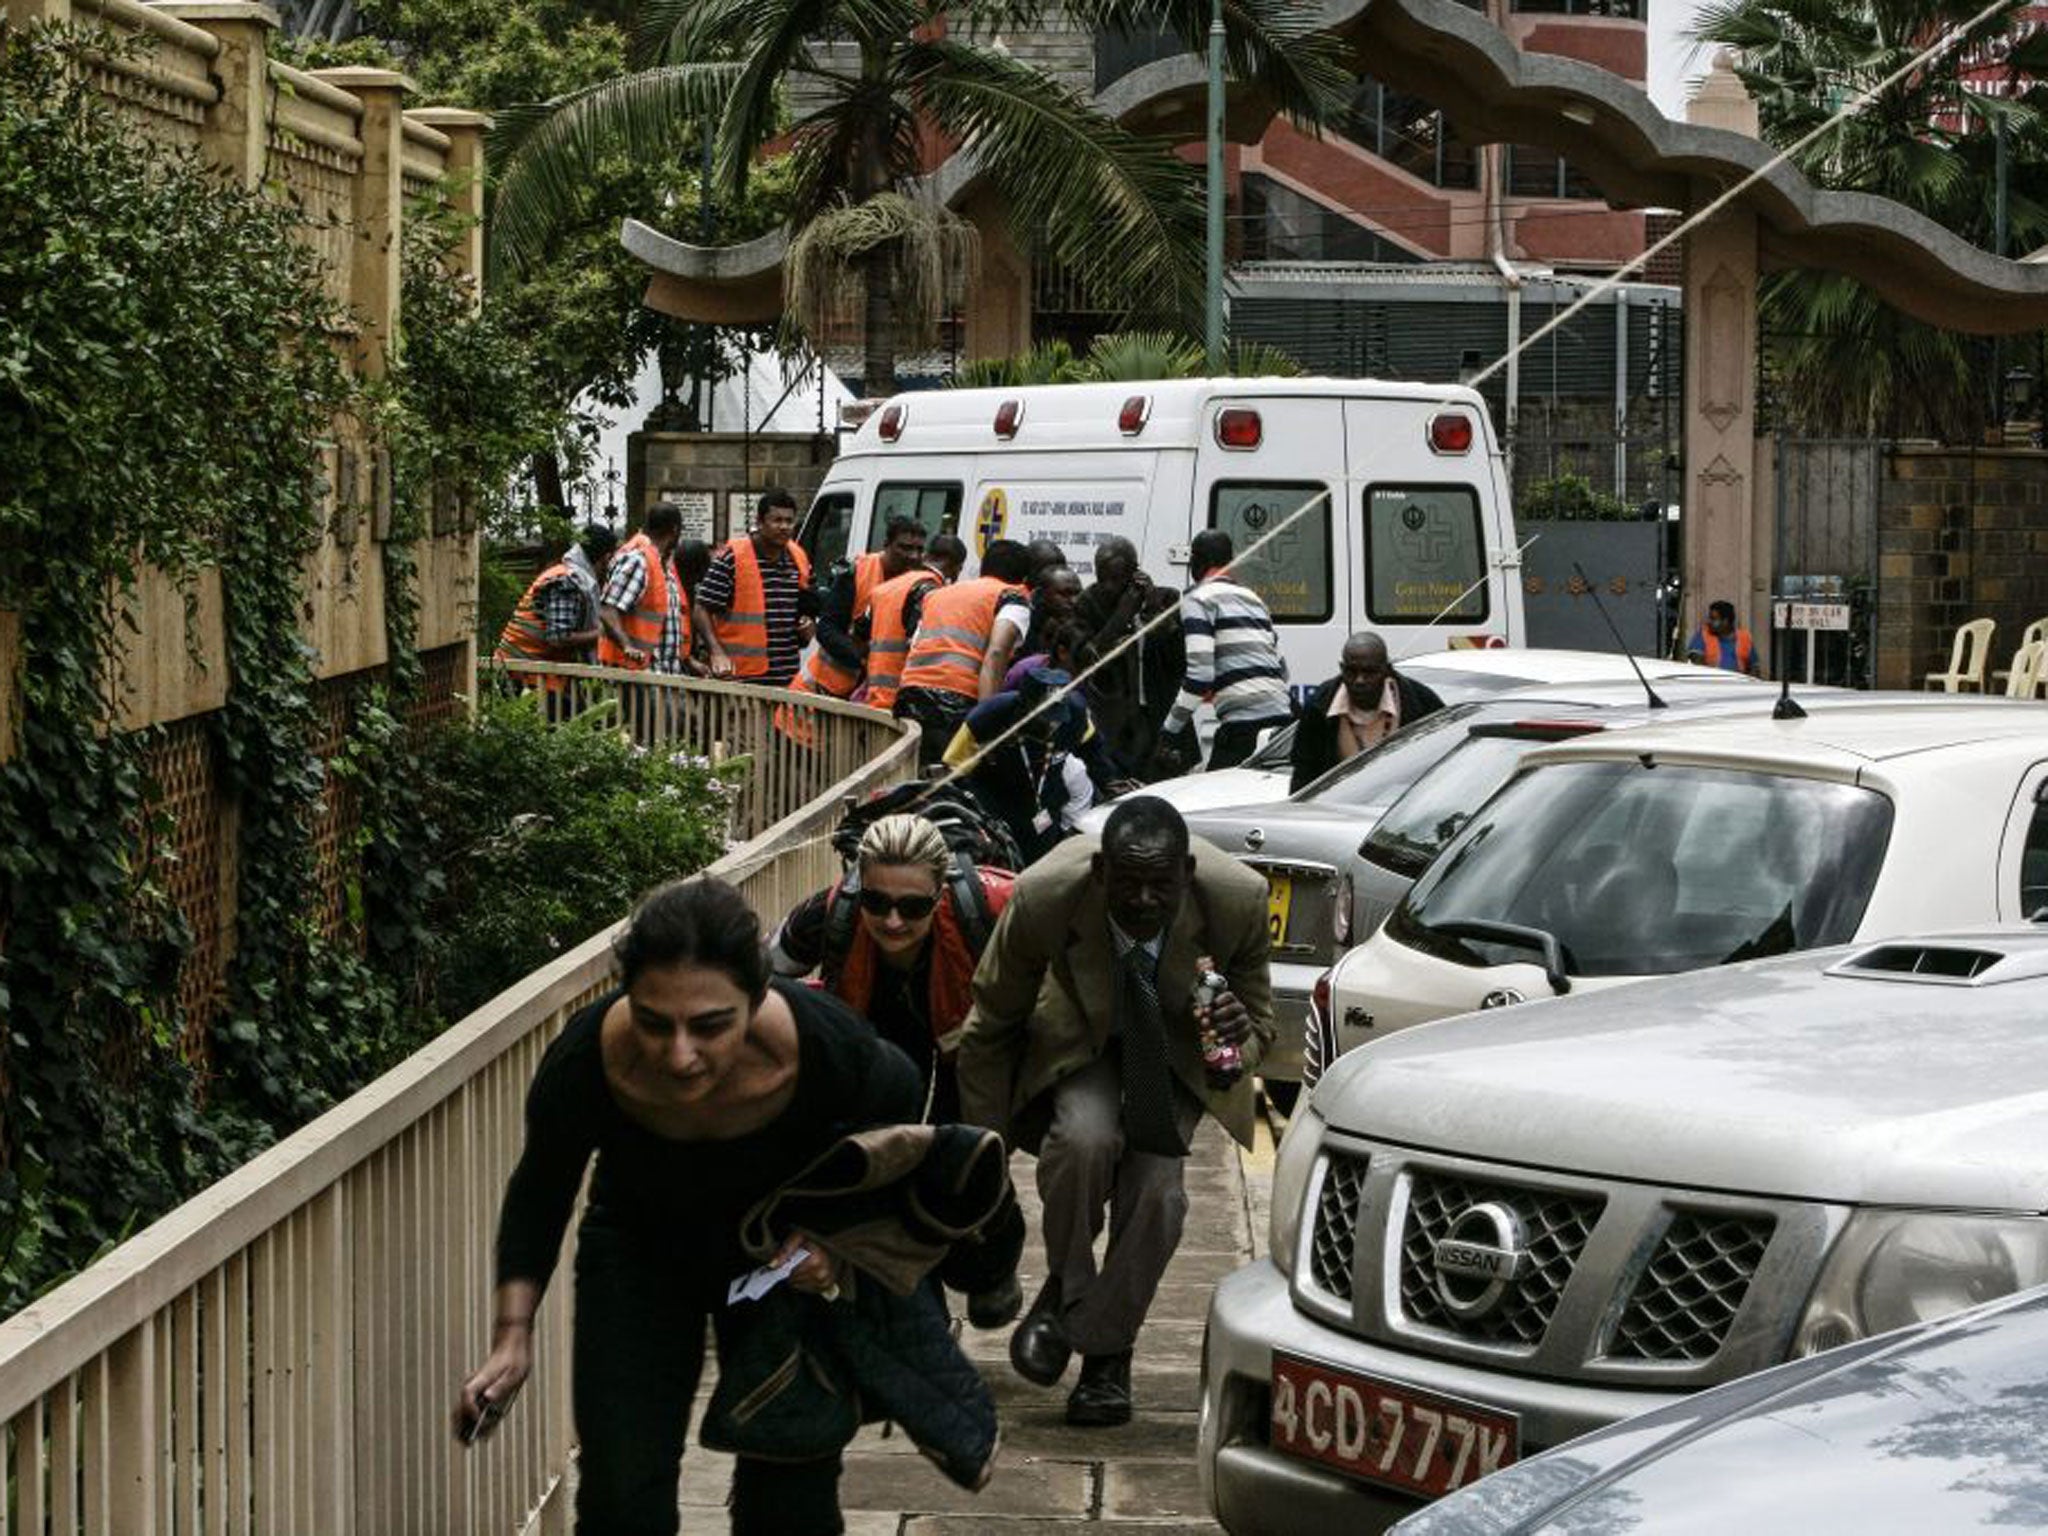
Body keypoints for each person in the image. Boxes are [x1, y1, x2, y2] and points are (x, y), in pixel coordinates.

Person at [455, 878, 929, 1534]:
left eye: (710, 1026)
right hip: (641, 1251)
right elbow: (541, 1189)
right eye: (655, 1022)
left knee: (790, 1500)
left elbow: (899, 1124)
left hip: (775, 1261)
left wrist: (835, 1241)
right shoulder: (589, 1058)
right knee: (621, 1497)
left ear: (757, 997)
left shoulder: (823, 1046)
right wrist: (512, 1339)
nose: (680, 1056)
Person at [957, 798, 1274, 1426]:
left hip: (1175, 1051)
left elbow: (1261, 1023)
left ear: (1187, 872)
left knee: (1157, 1194)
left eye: (1163, 885)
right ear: (1101, 871)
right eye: (1128, 883)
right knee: (1082, 1142)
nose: (1146, 901)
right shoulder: (1046, 895)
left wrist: (1236, 1042)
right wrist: (981, 1157)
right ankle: (1074, 1288)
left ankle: (1102, 1347)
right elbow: (990, 1024)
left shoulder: (1237, 900)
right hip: (1084, 1036)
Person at [942, 666, 1120, 865]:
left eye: (1057, 717)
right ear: (1024, 707)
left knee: (1039, 862)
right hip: (996, 804)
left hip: (1044, 805)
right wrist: (977, 816)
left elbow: (1093, 750)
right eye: (1045, 718)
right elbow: (954, 768)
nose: (1053, 726)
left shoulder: (1075, 714)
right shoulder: (989, 716)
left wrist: (1109, 781)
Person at [1158, 530, 1292, 773]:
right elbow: (1282, 672)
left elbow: (1200, 676)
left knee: (1215, 802)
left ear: (1197, 562)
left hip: (1243, 728)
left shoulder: (1197, 599)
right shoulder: (1254, 599)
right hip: (1282, 723)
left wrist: (1169, 731)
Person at [894, 538, 1034, 771]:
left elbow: (915, 644)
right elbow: (997, 652)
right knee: (959, 786)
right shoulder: (1011, 598)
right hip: (957, 705)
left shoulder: (939, 594)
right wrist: (987, 722)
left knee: (918, 783)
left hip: (909, 700)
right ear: (1024, 580)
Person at [1288, 631, 1447, 792]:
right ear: (1341, 668)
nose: (1359, 680)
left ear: (1387, 670)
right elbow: (1304, 773)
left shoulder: (1422, 703)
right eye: (1351, 672)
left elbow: (1444, 766)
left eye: (1369, 672)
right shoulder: (1319, 706)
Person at [794, 516, 927, 703]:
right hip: (822, 692)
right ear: (887, 544)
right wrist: (864, 659)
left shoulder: (919, 584)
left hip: (871, 699)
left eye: (919, 550)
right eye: (905, 547)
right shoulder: (857, 572)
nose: (913, 556)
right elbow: (827, 629)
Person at [1072, 539, 1174, 779]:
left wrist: (1151, 604)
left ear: (1134, 573)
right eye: (1102, 578)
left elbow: (1174, 653)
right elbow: (1085, 657)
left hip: (1155, 720)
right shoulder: (1087, 602)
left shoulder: (1164, 599)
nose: (1108, 586)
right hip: (1112, 722)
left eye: (1116, 579)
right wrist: (1122, 615)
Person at [697, 487, 814, 685]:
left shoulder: (799, 559)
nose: (784, 527)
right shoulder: (732, 558)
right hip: (741, 679)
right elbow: (701, 609)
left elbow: (806, 607)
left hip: (786, 678)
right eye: (776, 520)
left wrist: (809, 625)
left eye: (789, 521)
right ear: (759, 523)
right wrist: (716, 652)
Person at [495, 524, 617, 704]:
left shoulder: (569, 575)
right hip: (520, 672)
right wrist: (600, 633)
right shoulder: (567, 581)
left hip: (530, 669)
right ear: (606, 558)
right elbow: (558, 637)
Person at [862, 533, 966, 716]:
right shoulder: (930, 592)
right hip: (903, 704)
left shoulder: (887, 587)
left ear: (927, 555)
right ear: (957, 567)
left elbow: (861, 633)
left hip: (875, 698)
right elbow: (921, 648)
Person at [597, 502, 688, 674]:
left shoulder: (659, 564)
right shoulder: (639, 561)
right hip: (635, 674)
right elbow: (608, 609)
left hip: (657, 673)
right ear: (675, 530)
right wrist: (627, 646)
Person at [1688, 599, 1763, 677]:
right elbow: (1696, 665)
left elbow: (1755, 668)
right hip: (1711, 683)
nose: (1709, 622)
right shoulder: (1703, 635)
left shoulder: (1744, 637)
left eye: (1713, 619)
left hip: (1739, 684)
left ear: (1725, 621)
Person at [1024, 565, 1083, 656]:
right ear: (1041, 594)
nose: (1074, 601)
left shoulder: (1085, 625)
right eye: (1064, 594)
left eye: (1077, 593)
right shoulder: (1023, 627)